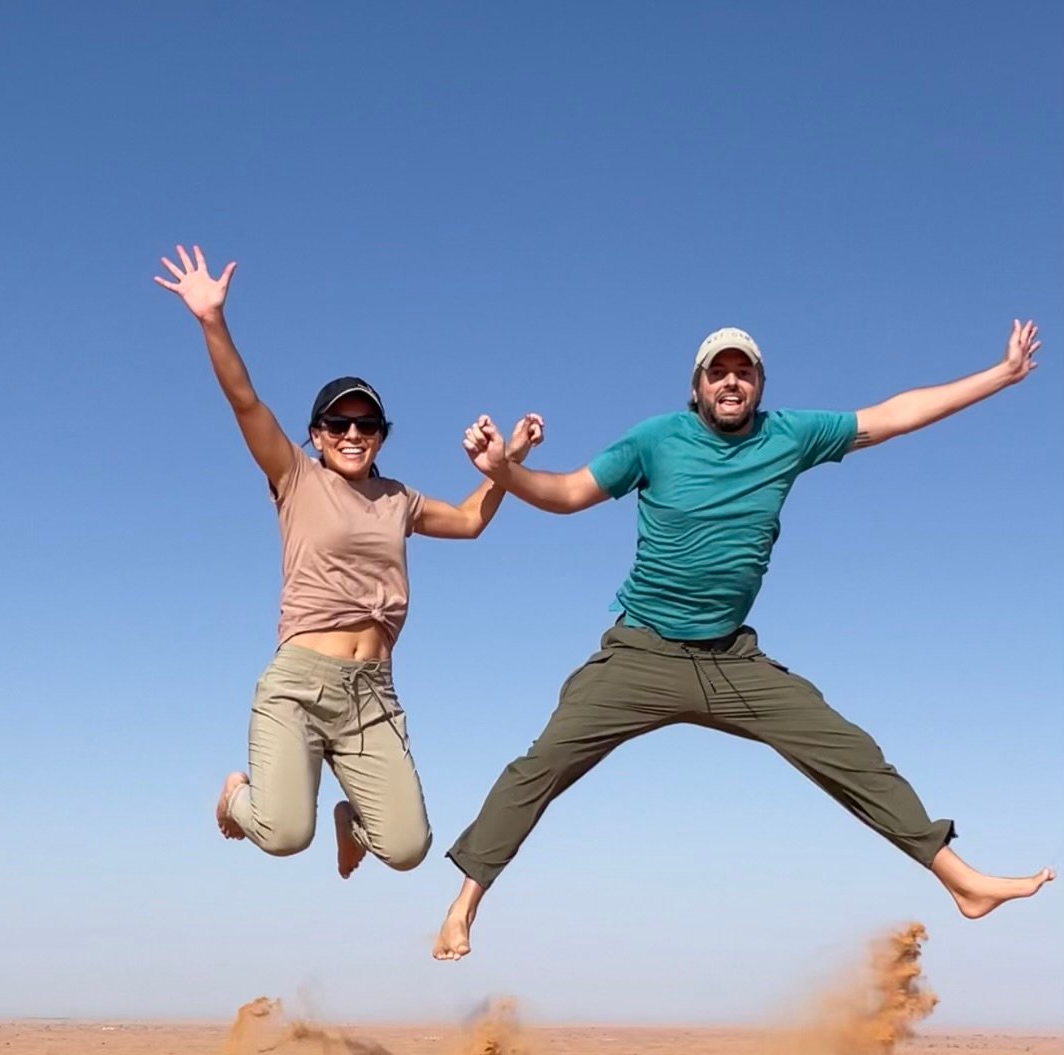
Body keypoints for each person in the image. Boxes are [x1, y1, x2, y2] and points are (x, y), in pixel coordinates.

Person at [432, 322, 1053, 959]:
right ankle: (462, 908)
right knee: (543, 764)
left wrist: (999, 375)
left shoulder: (790, 435)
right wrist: (504, 471)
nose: (731, 381)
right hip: (641, 653)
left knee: (848, 750)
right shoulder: (656, 440)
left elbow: (895, 414)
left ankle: (961, 881)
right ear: (697, 387)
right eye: (717, 372)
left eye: (744, 372)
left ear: (758, 384)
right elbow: (566, 494)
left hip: (731, 659)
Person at [155, 245, 542, 879]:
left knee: (408, 849)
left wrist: (507, 465)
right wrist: (211, 321)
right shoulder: (295, 478)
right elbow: (246, 401)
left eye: (368, 426)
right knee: (283, 835)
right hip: (302, 684)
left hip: (373, 695)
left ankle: (352, 821)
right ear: (316, 434)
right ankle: (235, 797)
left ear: (382, 436)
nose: (353, 436)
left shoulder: (398, 500)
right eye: (339, 425)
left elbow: (470, 521)